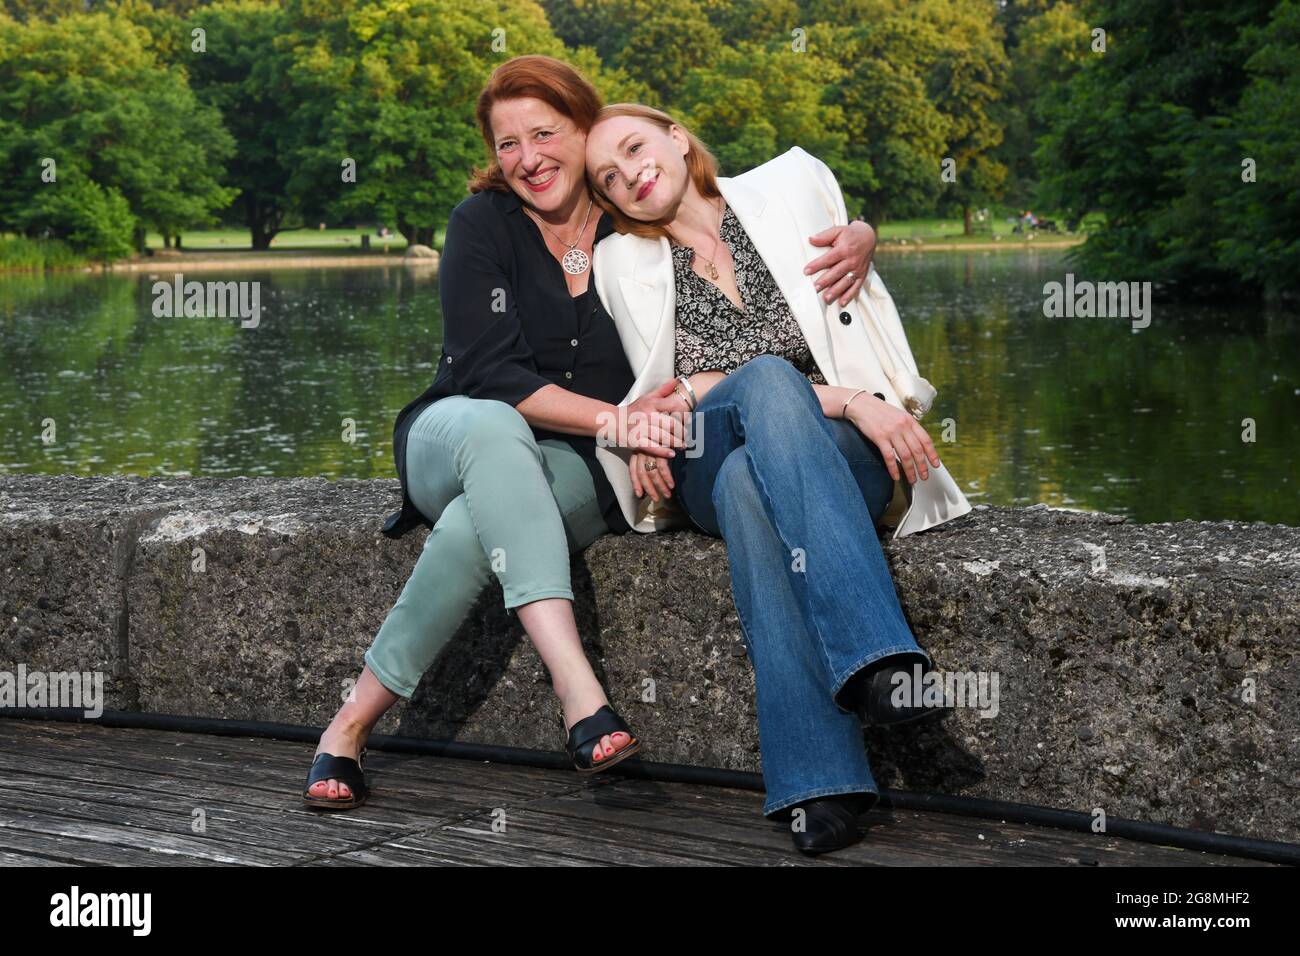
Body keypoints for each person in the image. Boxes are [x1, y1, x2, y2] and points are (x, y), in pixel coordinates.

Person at [301, 56, 878, 811]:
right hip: (457, 429)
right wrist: (621, 420)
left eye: (545, 133)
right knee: (495, 429)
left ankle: (347, 728)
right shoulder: (483, 224)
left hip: (580, 461)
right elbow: (489, 374)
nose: (528, 158)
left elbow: (741, 217)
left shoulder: (633, 224)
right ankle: (581, 693)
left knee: (482, 530)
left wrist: (865, 233)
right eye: (507, 143)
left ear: (586, 130)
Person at [584, 103, 972, 854]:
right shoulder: (619, 263)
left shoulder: (790, 182)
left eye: (634, 148)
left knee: (746, 490)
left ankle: (817, 786)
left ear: (675, 135)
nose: (628, 174)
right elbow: (668, 389)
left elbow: (851, 231)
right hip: (707, 447)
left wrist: (867, 238)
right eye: (607, 177)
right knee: (761, 386)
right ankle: (883, 661)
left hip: (830, 459)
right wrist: (849, 400)